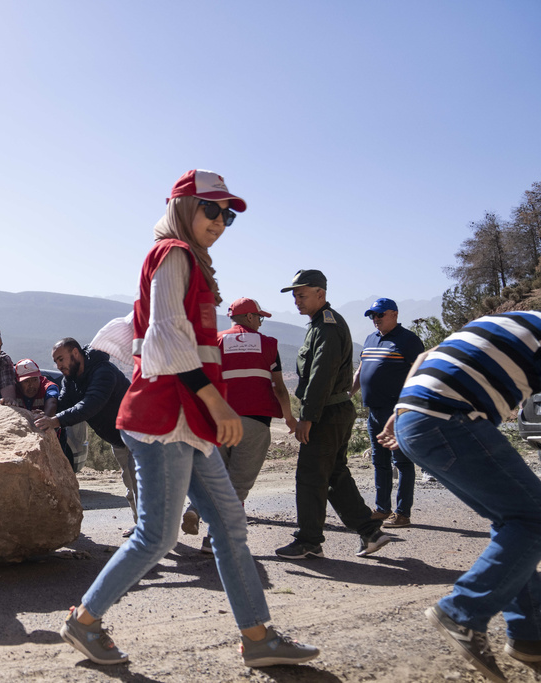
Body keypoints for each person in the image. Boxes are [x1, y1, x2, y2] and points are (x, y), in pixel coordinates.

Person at [60, 169, 318, 668]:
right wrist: (218, 403)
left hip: (187, 424)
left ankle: (259, 637)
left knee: (229, 524)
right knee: (156, 536)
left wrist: (208, 409)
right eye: (211, 209)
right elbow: (162, 341)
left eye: (228, 215)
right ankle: (84, 621)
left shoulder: (189, 260)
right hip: (164, 422)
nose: (220, 222)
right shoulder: (173, 254)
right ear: (182, 208)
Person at [378, 311, 541, 682]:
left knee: (516, 520)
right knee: (533, 518)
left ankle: (530, 635)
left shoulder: (510, 321)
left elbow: (424, 357)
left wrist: (398, 409)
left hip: (415, 416)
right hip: (448, 419)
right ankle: (462, 612)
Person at [274, 270, 389, 560]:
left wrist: (307, 417)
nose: (296, 301)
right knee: (334, 474)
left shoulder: (327, 326)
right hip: (334, 410)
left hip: (326, 413)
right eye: (295, 296)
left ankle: (309, 541)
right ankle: (369, 531)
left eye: (302, 294)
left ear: (320, 294)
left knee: (311, 476)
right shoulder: (320, 324)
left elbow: (321, 375)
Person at [181, 297, 297, 552]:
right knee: (237, 487)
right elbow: (278, 386)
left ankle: (196, 508)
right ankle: (214, 540)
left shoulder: (216, 341)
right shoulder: (267, 344)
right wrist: (288, 417)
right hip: (254, 423)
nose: (261, 323)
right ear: (250, 317)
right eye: (260, 318)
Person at [35, 338, 137, 532]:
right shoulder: (71, 380)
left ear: (75, 353)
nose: (58, 365)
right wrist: (46, 414)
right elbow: (64, 402)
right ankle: (143, 527)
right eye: (55, 362)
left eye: (61, 359)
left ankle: (151, 533)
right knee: (130, 484)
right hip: (119, 440)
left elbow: (91, 404)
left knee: (139, 482)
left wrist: (56, 421)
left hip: (139, 434)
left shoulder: (103, 372)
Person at [349, 298, 424, 528]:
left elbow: (420, 375)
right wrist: (347, 395)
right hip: (374, 412)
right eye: (372, 315)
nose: (375, 319)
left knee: (401, 462)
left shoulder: (409, 340)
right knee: (379, 461)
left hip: (398, 413)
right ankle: (382, 509)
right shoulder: (371, 339)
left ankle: (403, 513)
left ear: (394, 314)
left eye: (380, 315)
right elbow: (361, 371)